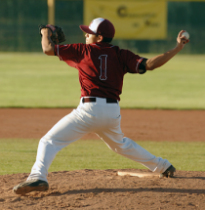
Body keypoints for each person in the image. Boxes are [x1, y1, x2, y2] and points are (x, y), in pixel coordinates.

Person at [13, 17, 189, 195]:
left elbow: (48, 49)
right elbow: (149, 64)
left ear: (98, 38)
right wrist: (177, 48)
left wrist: (45, 31)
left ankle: (38, 177)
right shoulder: (121, 54)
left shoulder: (82, 50)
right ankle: (163, 166)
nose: (85, 34)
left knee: (48, 141)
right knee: (120, 145)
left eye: (89, 33)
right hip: (112, 112)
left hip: (88, 111)